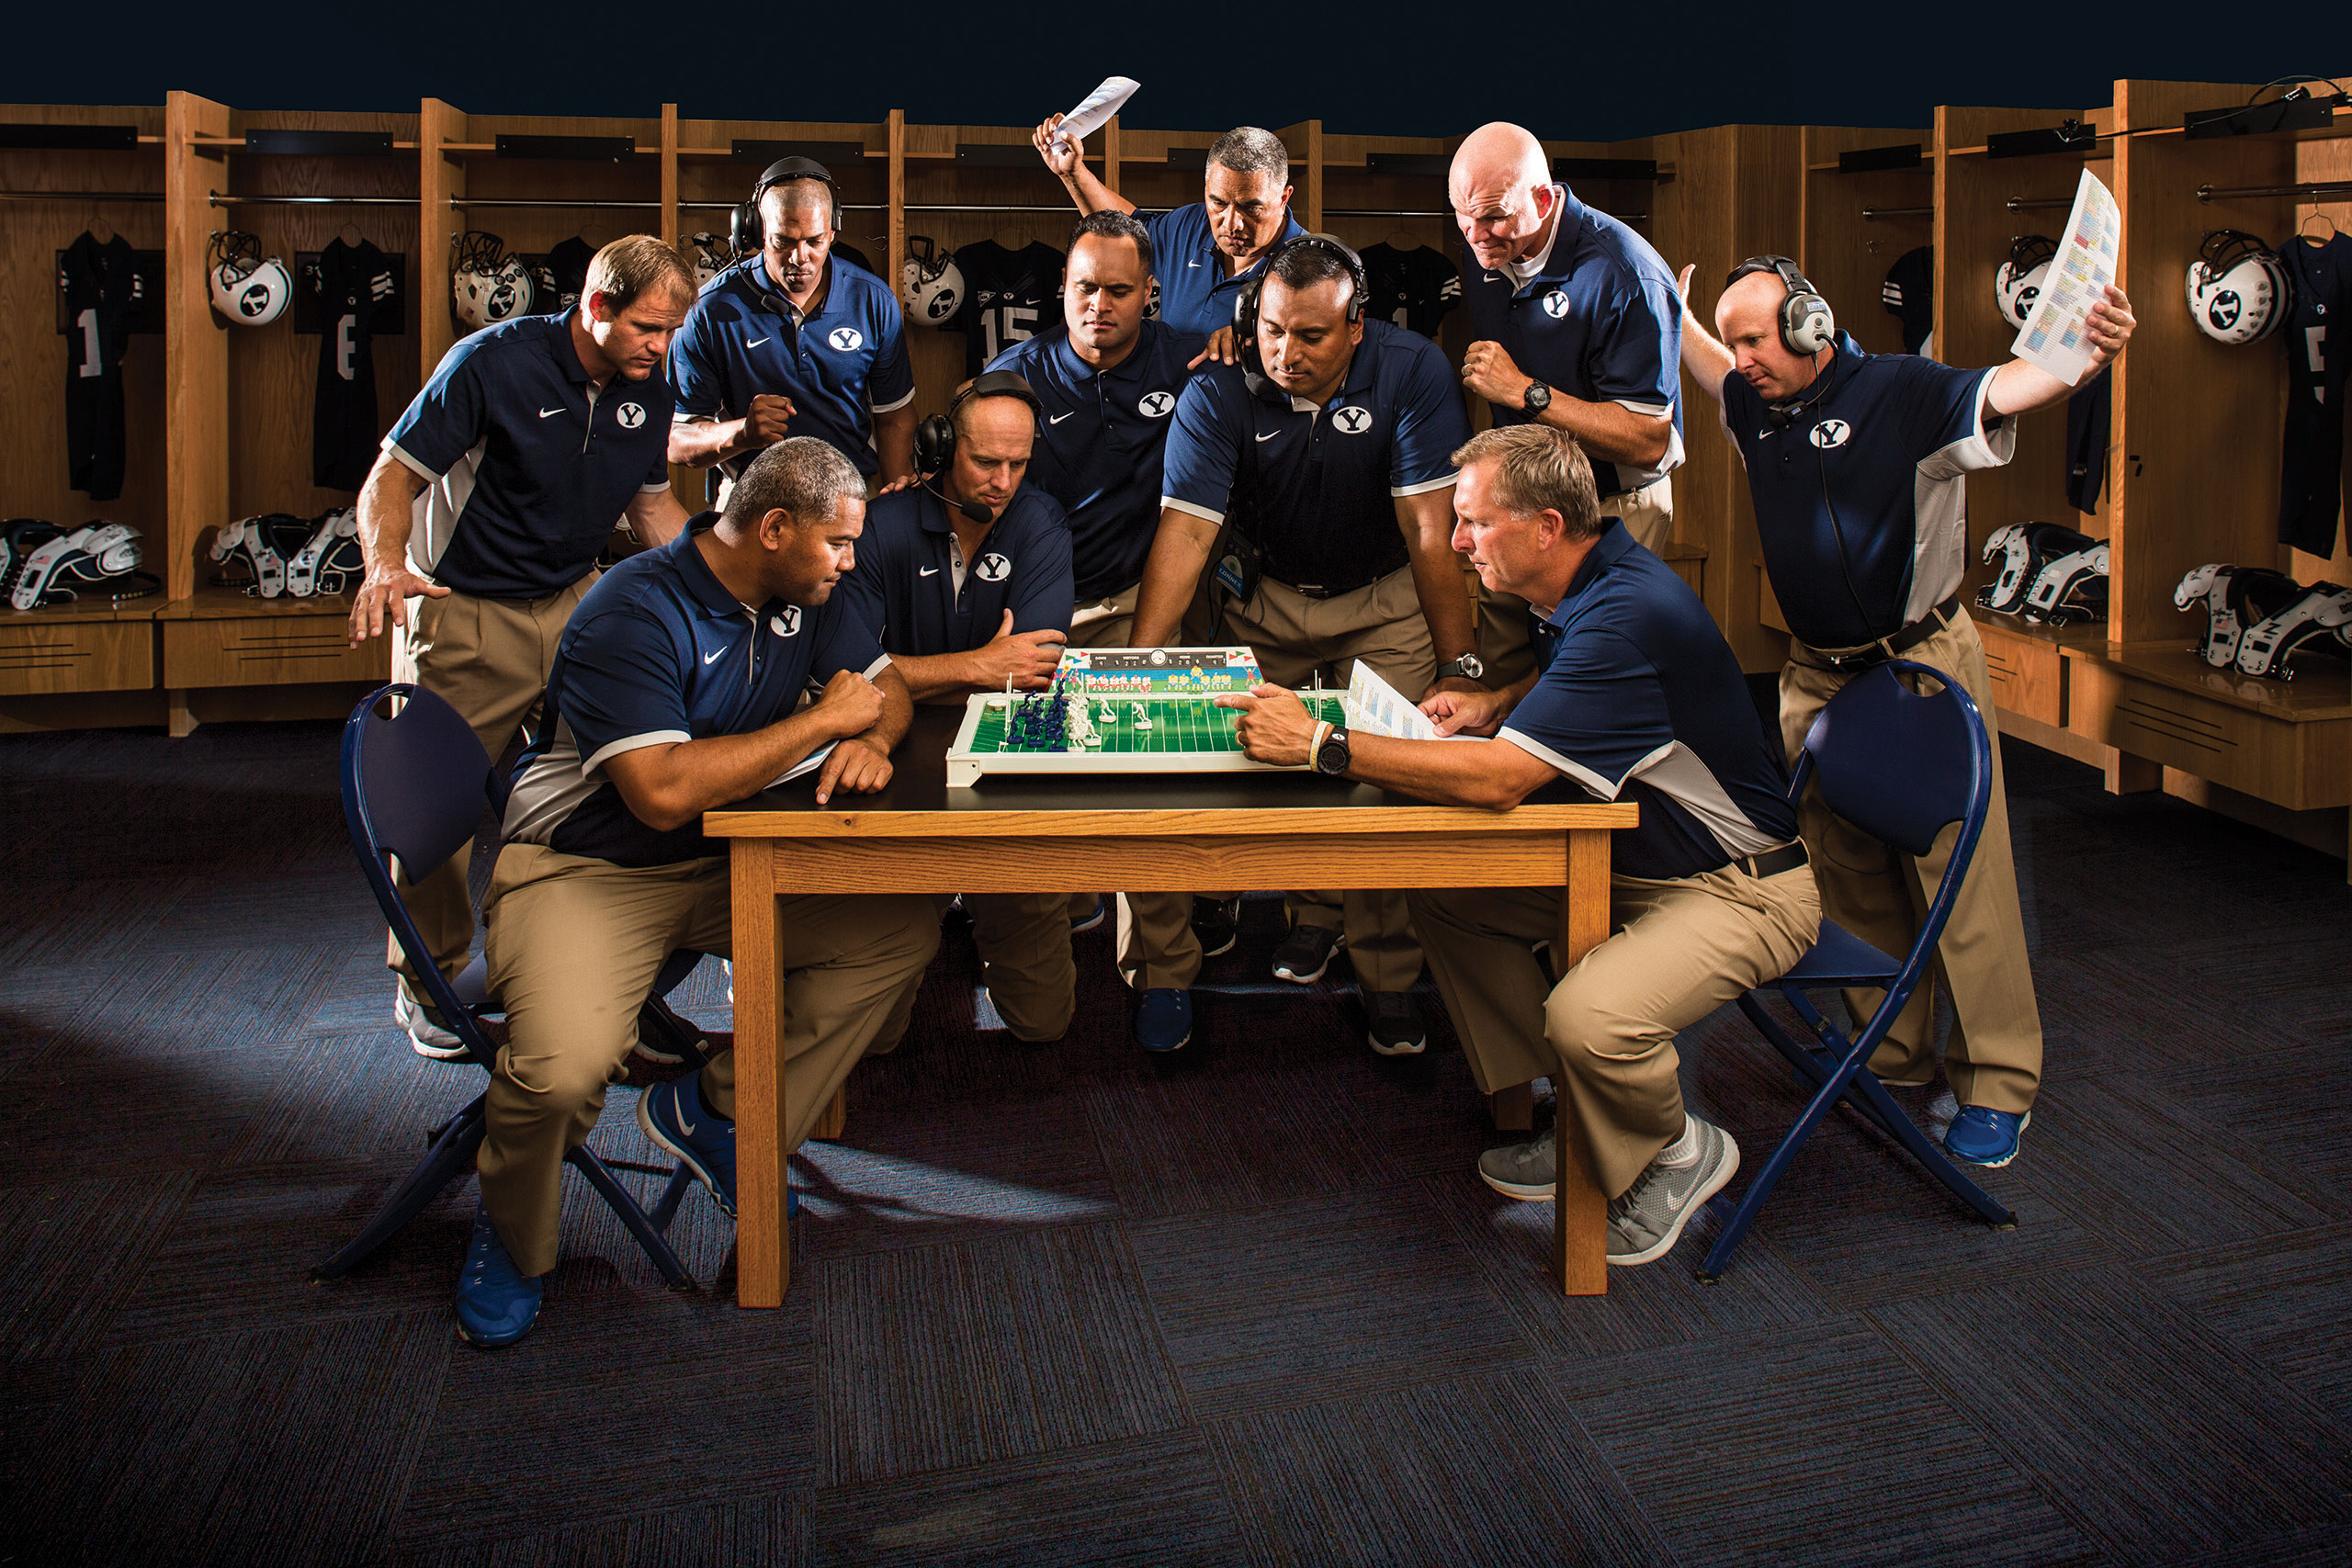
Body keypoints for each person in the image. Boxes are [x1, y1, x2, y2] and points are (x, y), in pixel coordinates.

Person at [1221, 423, 1820, 1267]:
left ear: (1546, 524)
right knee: (1449, 894)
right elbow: (1576, 673)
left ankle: (1678, 1148)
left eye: (1475, 522)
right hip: (1637, 861)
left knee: (1589, 1017)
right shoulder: (1587, 577)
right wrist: (1502, 699)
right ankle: (1592, 1123)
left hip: (1741, 889)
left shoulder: (1628, 609)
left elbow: (1501, 782)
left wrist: (1324, 742)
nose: (1457, 542)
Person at [454, 437, 939, 1348]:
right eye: (836, 543)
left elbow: (884, 684)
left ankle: (716, 1109)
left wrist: (867, 736)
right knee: (560, 1073)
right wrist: (824, 723)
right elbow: (662, 790)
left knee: (897, 930)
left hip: (728, 857)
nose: (849, 562)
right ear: (772, 528)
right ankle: (512, 1231)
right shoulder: (632, 608)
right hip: (587, 868)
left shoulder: (803, 594)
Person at [1676, 253, 2138, 1168]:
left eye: (1755, 339)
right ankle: (1889, 1050)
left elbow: (2022, 382)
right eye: (1732, 343)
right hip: (1815, 675)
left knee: (1959, 879)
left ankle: (2000, 1084)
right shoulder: (1749, 400)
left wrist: (2093, 351)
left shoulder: (1906, 393)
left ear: (1812, 325)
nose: (1739, 359)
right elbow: (1699, 357)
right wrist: (1675, 306)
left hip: (1920, 667)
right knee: (1847, 867)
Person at [348, 235, 695, 1058]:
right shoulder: (491, 363)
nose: (663, 345)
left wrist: (721, 590)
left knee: (624, 780)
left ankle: (609, 975)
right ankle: (428, 982)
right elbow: (391, 477)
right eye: (649, 326)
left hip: (573, 601)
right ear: (596, 306)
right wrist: (385, 563)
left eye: (673, 329)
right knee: (435, 809)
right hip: (464, 606)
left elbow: (653, 514)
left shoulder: (651, 388)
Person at [1127, 236, 1476, 1055]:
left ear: (1356, 328)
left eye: (1310, 336)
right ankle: (1236, 941)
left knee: (1386, 770)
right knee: (1229, 761)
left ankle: (1388, 975)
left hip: (1383, 596)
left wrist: (1460, 663)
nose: (1285, 353)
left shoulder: (1413, 368)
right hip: (1264, 600)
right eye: (1272, 330)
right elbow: (1185, 532)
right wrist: (1141, 657)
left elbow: (1429, 527)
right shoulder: (1215, 387)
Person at [833, 371, 1079, 1043]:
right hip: (899, 767)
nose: (1003, 481)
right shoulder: (878, 523)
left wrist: (908, 674)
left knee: (1045, 1023)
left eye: (1019, 463)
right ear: (941, 448)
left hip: (1008, 767)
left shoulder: (1042, 522)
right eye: (985, 461)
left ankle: (983, 913)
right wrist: (977, 666)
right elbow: (852, 678)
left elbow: (1030, 675)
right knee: (876, 1040)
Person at [990, 210, 1209, 944]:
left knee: (1157, 801)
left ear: (1149, 291)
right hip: (1038, 617)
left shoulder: (1193, 363)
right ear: (1062, 286)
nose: (1099, 305)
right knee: (1039, 795)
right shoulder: (1012, 378)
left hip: (1141, 601)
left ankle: (1162, 966)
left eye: (1119, 290)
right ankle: (1048, 927)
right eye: (1085, 287)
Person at [1449, 122, 1685, 683]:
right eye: (1463, 214)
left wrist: (1522, 392)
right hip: (1516, 506)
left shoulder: (1624, 273)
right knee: (1504, 677)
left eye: (1494, 216)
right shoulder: (1487, 253)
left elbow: (1650, 440)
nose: (1477, 234)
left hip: (1608, 509)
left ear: (1544, 198)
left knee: (1591, 675)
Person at [668, 158, 917, 493]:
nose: (800, 257)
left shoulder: (872, 300)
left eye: (814, 241)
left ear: (832, 232)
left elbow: (894, 417)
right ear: (755, 232)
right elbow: (678, 440)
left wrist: (895, 511)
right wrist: (741, 434)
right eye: (783, 241)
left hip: (854, 493)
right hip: (752, 497)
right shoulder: (709, 308)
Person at [1032, 120, 1304, 352]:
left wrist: (1266, 343)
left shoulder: (1310, 268)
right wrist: (1072, 172)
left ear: (1283, 198)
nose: (1231, 223)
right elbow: (1127, 231)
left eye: (1251, 207)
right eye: (1218, 203)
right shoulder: (1190, 226)